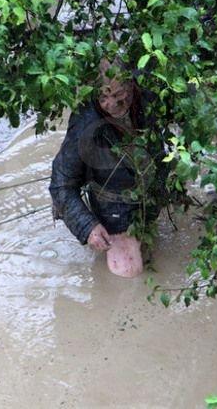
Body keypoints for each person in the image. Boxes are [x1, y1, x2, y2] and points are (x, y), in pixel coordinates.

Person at [49, 58, 167, 278]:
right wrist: (88, 227)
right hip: (112, 202)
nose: (112, 104)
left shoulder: (150, 97)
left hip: (149, 191)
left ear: (132, 85)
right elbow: (61, 185)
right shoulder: (84, 123)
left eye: (119, 95)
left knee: (156, 245)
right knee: (129, 270)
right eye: (104, 97)